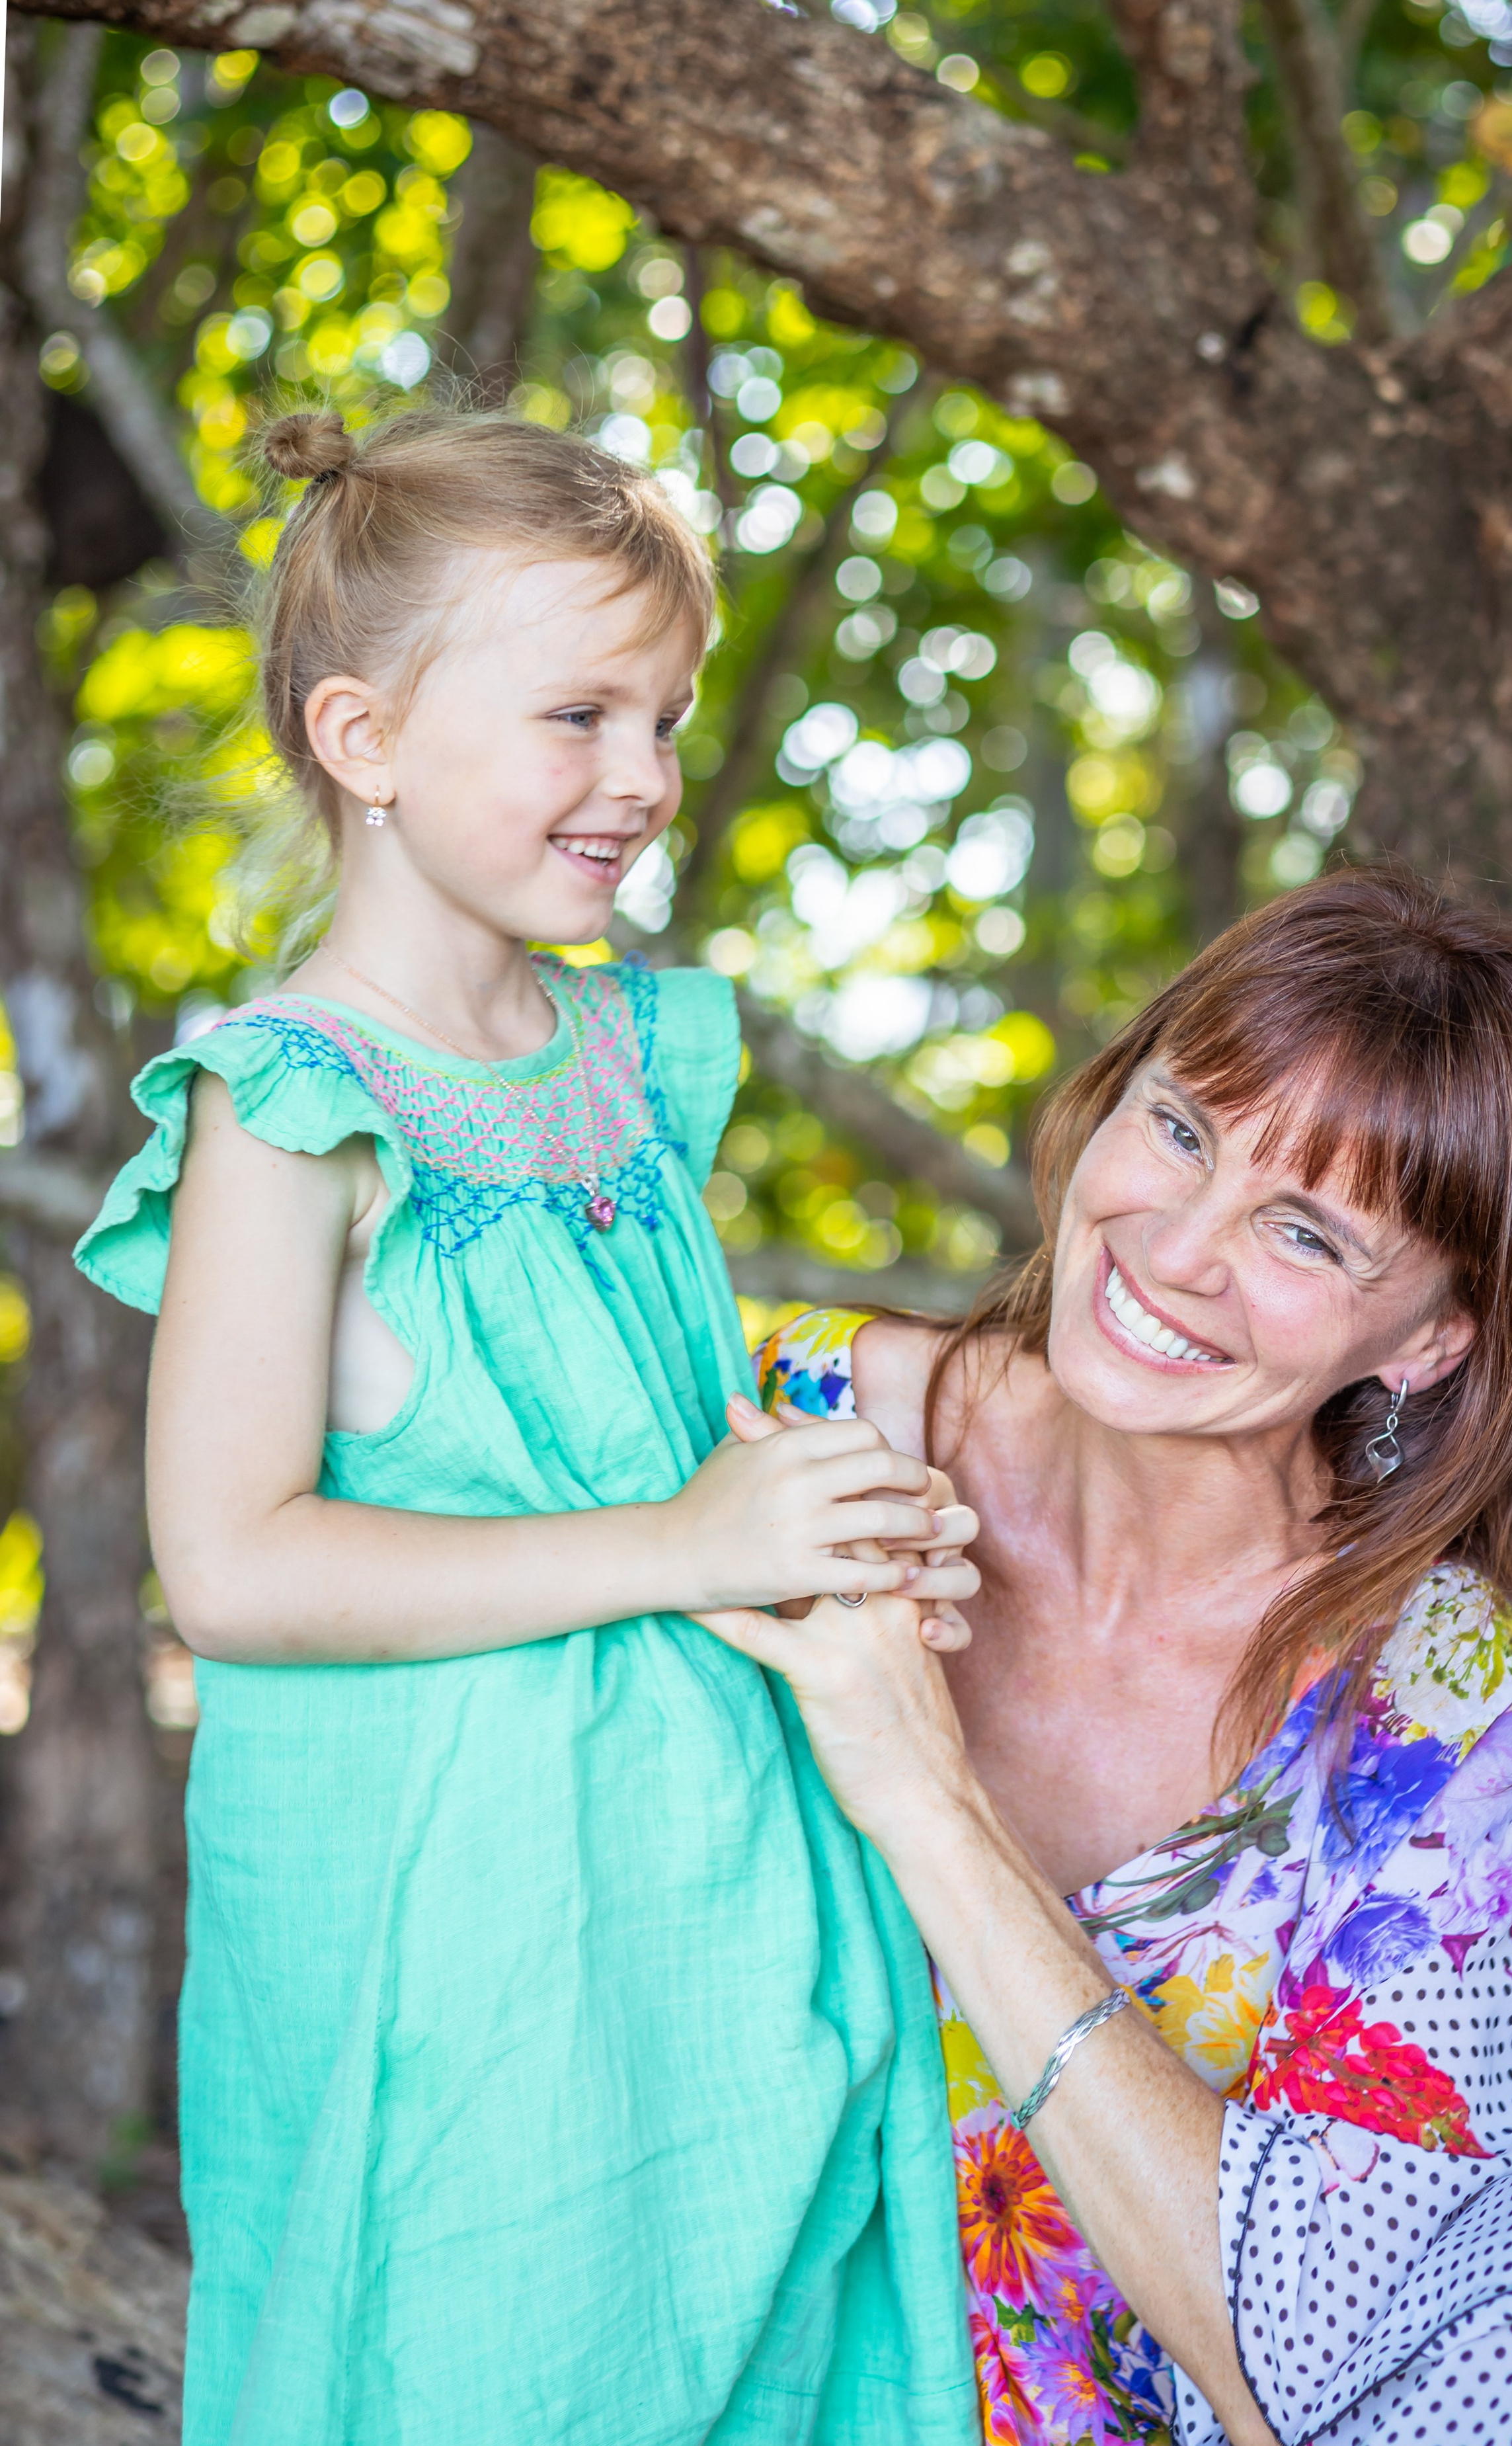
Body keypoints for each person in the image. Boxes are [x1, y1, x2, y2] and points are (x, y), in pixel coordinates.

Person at [73, 407, 982, 2445]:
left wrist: (824, 1512)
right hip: (458, 1937)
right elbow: (233, 1560)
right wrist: (686, 1539)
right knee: (475, 2366)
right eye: (578, 715)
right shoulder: (287, 1099)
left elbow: (655, 1432)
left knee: (754, 2350)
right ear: (365, 738)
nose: (643, 779)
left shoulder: (632, 1056)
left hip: (711, 1881)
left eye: (661, 719)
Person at [714, 871, 1512, 2445]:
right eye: (1177, 1128)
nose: (1171, 1249)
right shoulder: (774, 1415)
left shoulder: (1434, 1697)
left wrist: (922, 1796)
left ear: (1427, 1338)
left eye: (1301, 1229)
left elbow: (1295, 2364)